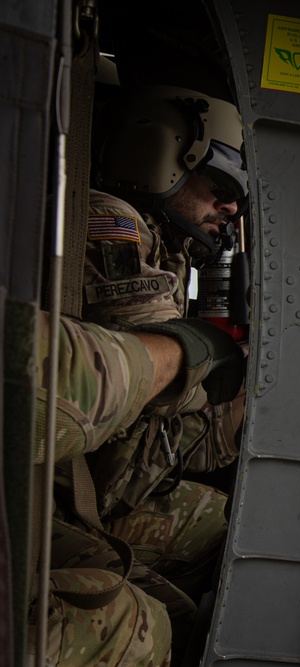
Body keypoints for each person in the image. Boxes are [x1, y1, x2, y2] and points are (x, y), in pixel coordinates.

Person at [55, 83, 250, 654]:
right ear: (164, 156)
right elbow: (171, 374)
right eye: (221, 188)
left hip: (101, 471)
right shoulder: (108, 219)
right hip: (67, 480)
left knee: (226, 535)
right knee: (164, 625)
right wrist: (227, 361)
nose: (231, 208)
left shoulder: (164, 245)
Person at [30, 312, 244, 666]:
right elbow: (58, 384)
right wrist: (185, 353)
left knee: (180, 617)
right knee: (136, 631)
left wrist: (209, 387)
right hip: (50, 407)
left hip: (65, 454)